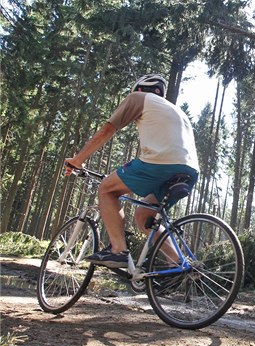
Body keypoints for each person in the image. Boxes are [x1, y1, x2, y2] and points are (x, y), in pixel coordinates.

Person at [64, 74, 199, 268]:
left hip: (161, 163)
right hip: (190, 170)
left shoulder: (138, 98)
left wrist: (78, 160)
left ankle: (118, 250)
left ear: (140, 89)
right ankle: (179, 263)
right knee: (144, 216)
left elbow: (106, 131)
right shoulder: (175, 111)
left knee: (107, 189)